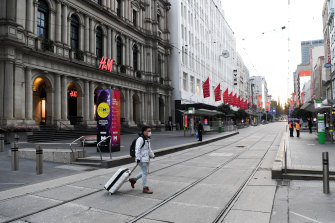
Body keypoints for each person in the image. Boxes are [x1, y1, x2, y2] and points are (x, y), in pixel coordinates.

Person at [129, 126, 155, 194]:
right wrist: (138, 159)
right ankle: (145, 187)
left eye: (150, 131)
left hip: (146, 158)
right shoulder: (140, 139)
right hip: (142, 159)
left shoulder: (147, 139)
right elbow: (137, 149)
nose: (150, 132)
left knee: (145, 172)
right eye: (148, 131)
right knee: (145, 172)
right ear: (144, 132)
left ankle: (133, 179)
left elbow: (148, 149)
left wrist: (152, 155)